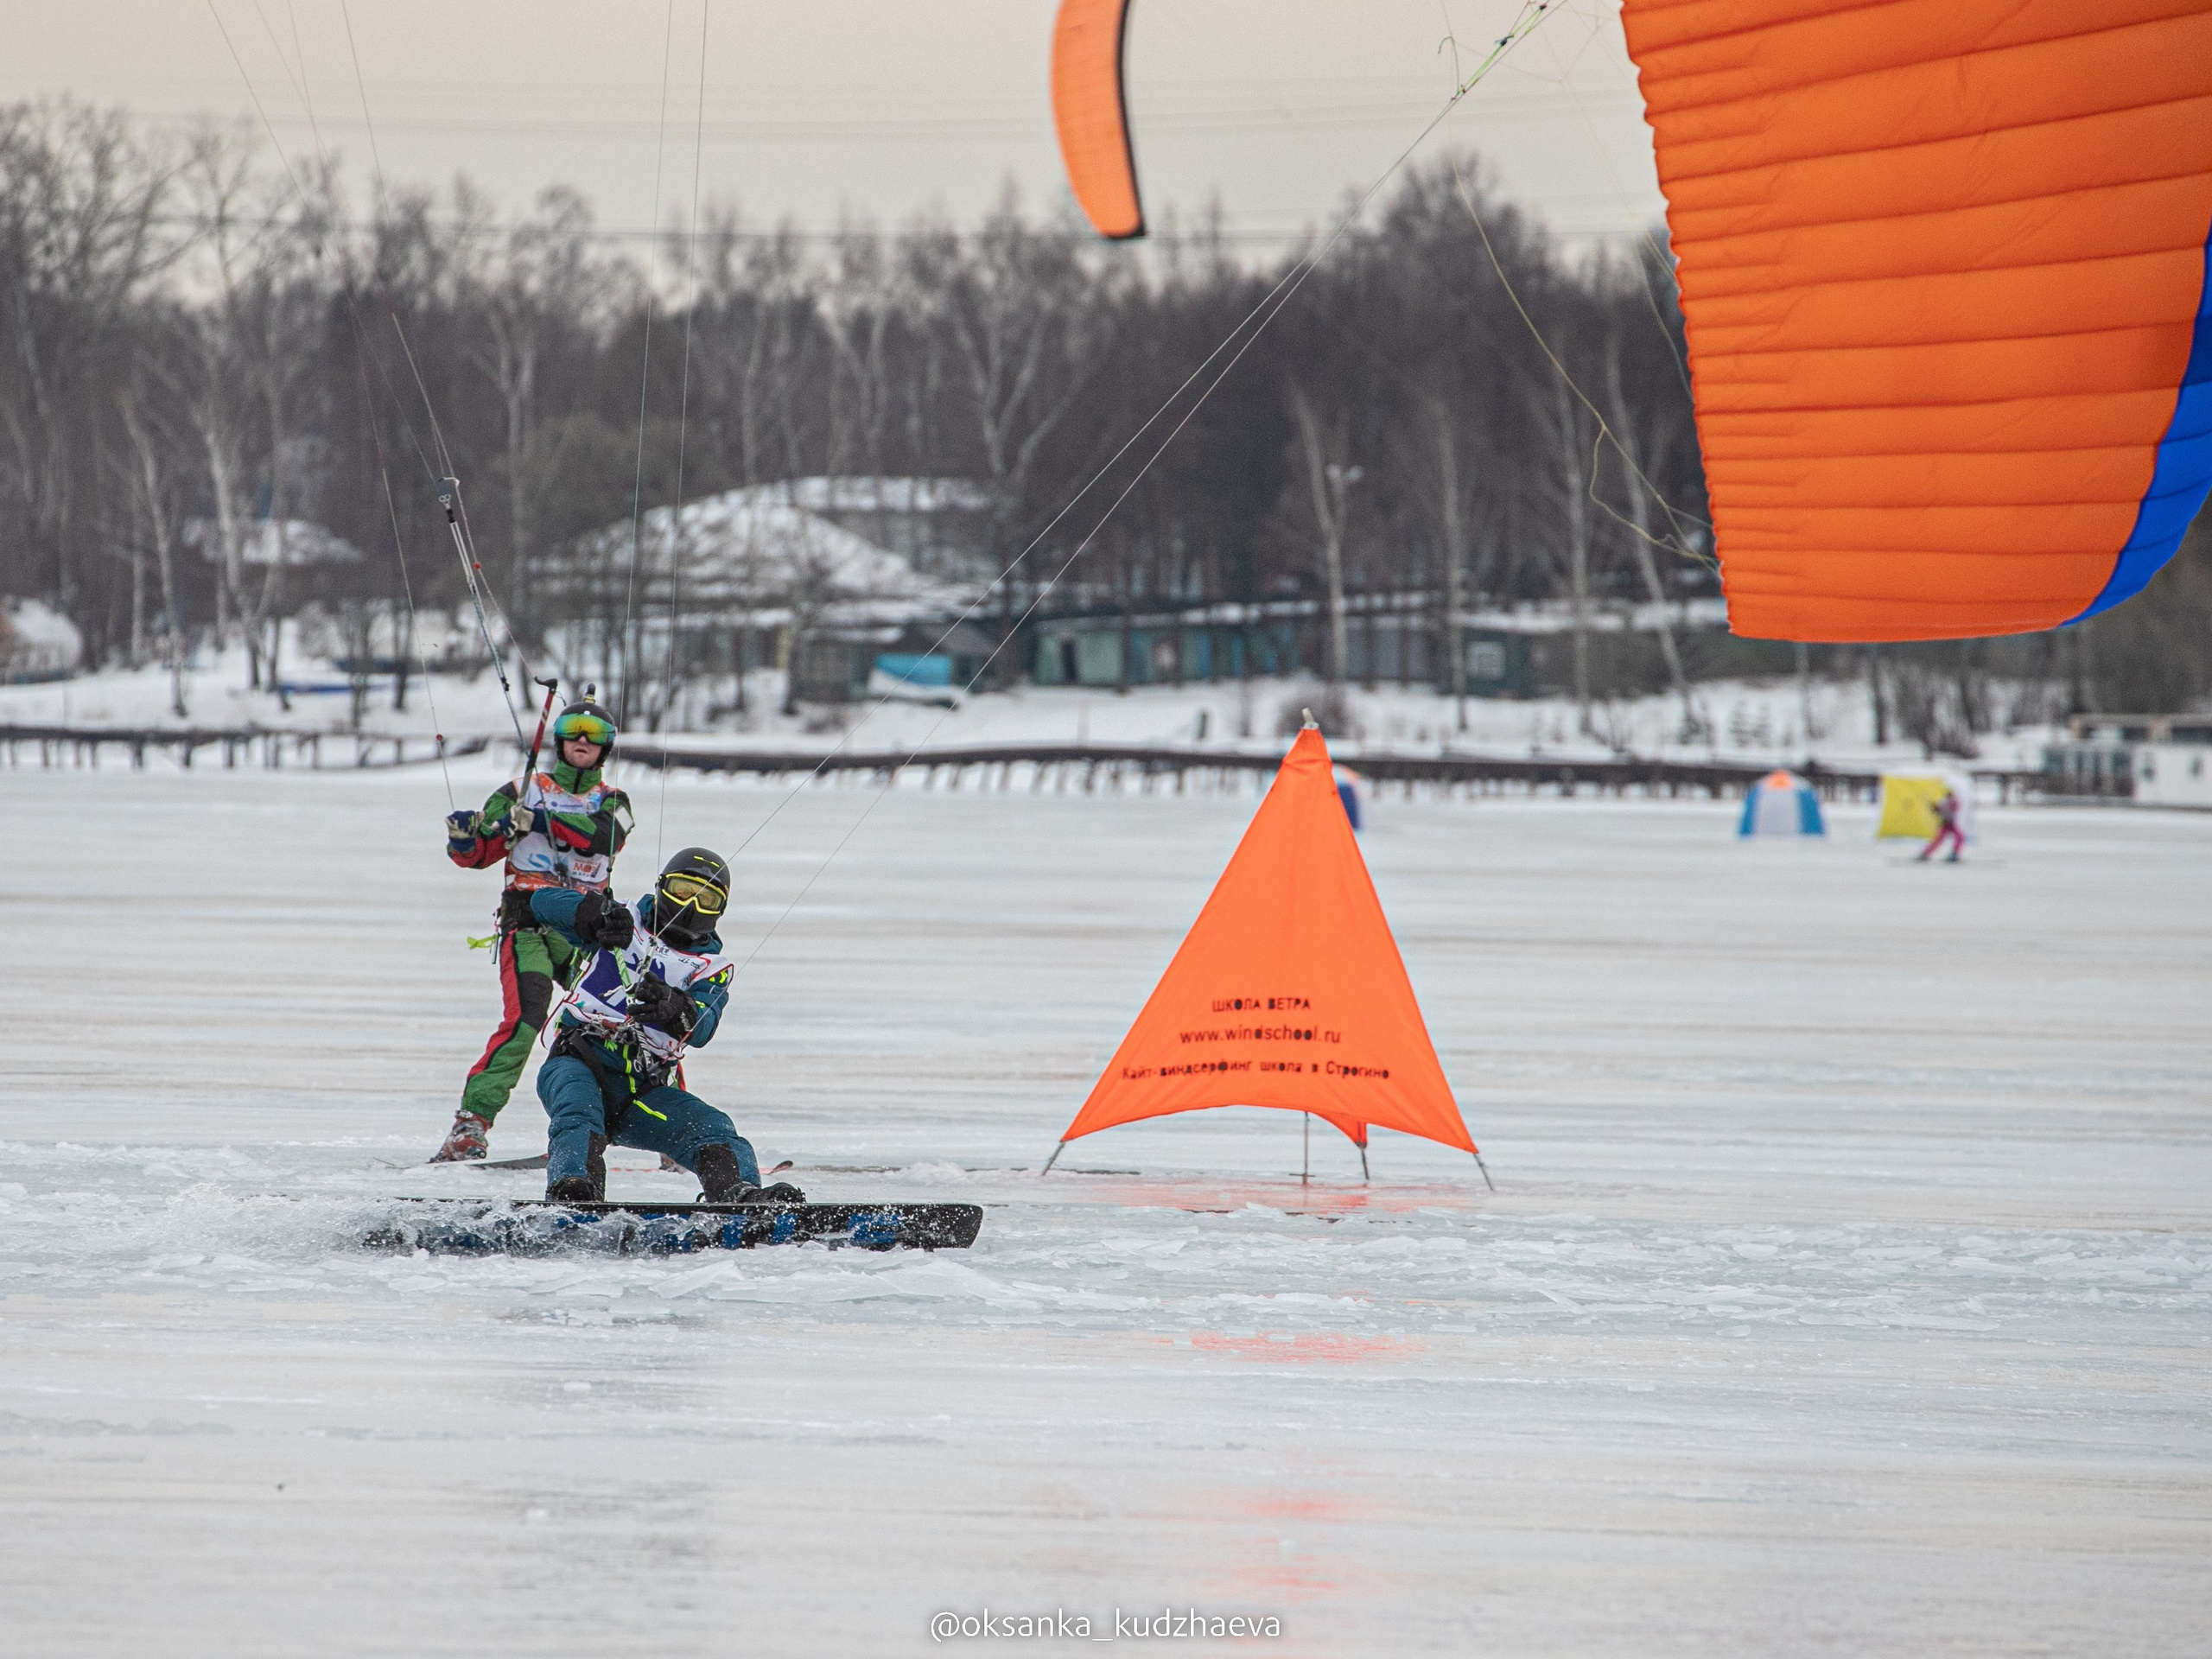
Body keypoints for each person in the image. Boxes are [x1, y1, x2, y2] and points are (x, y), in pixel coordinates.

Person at [527, 846, 804, 1206]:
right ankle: (574, 1191)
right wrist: (590, 913)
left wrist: (675, 1007)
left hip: (642, 1091)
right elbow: (541, 904)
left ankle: (740, 1197)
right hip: (578, 1060)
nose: (690, 906)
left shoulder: (709, 968)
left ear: (719, 911)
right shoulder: (621, 920)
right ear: (661, 887)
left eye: (705, 899)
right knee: (578, 1113)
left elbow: (703, 1027)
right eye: (682, 891)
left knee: (713, 1127)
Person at [433, 693, 634, 1161]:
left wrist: (540, 820)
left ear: (606, 747)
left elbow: (602, 837)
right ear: (560, 741)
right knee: (525, 1021)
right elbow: (478, 853)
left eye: (596, 734)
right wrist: (465, 836)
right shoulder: (519, 791)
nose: (583, 741)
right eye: (574, 732)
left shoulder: (615, 801)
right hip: (530, 927)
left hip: (586, 929)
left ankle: (668, 1131)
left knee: (633, 1019)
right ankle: (470, 1126)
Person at [1918, 787, 1966, 863]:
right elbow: (1937, 811)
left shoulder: (1954, 801)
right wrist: (1934, 808)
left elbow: (1954, 808)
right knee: (1939, 839)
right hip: (1945, 824)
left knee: (1959, 837)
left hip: (1952, 824)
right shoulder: (1944, 801)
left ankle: (1954, 854)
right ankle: (1925, 853)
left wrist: (1938, 808)